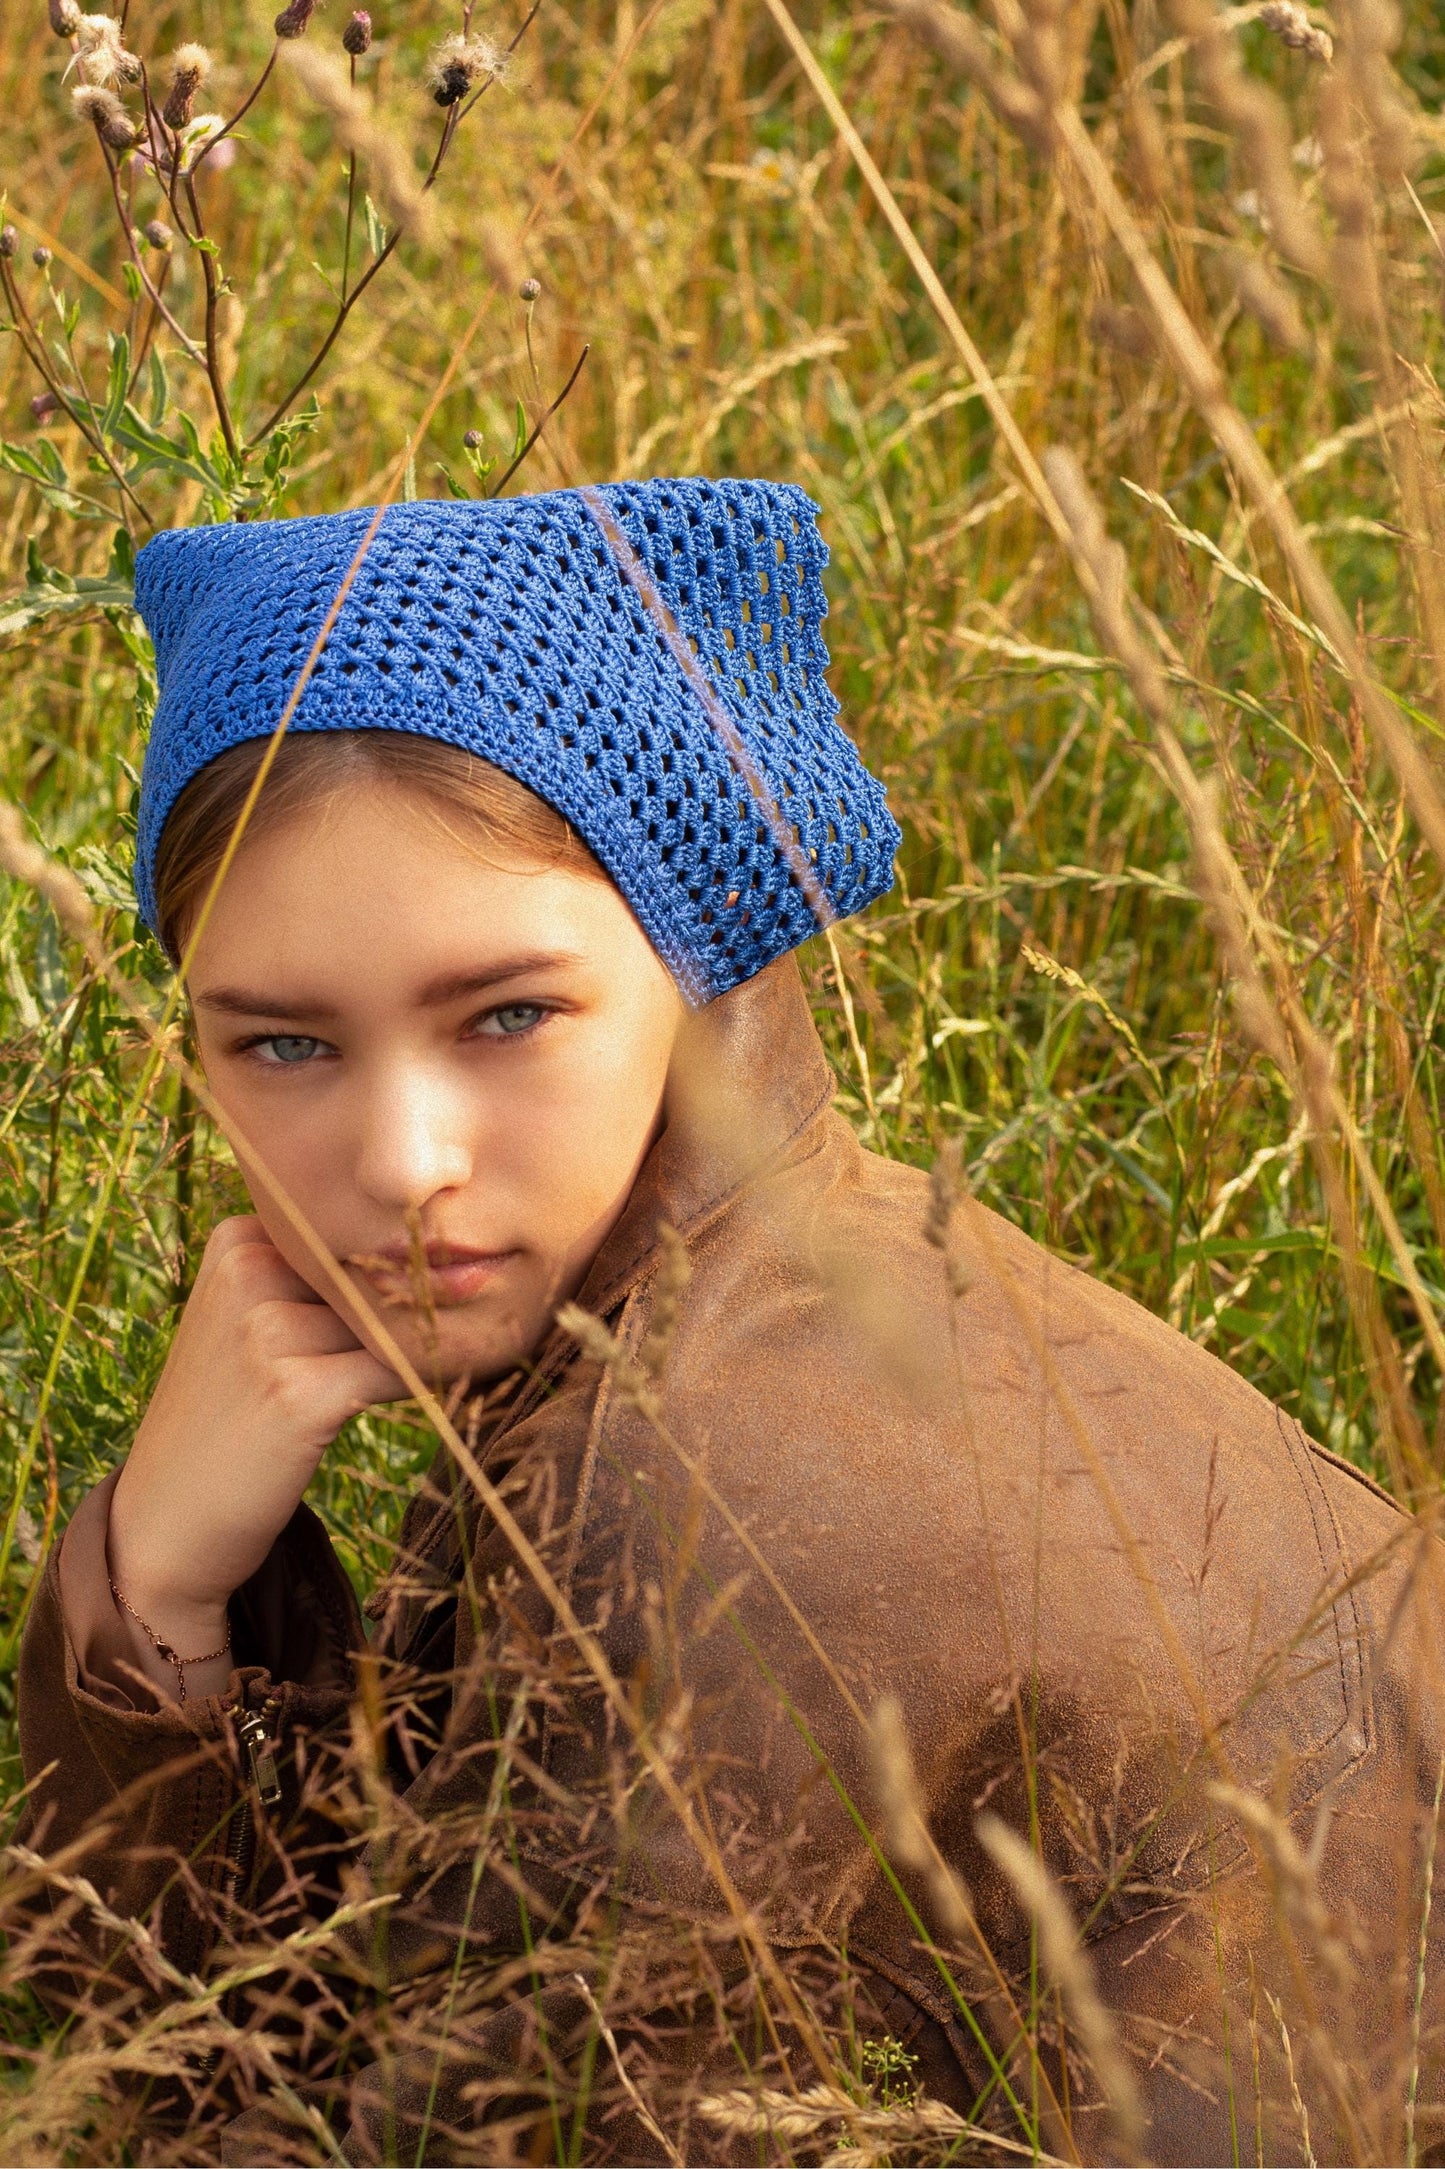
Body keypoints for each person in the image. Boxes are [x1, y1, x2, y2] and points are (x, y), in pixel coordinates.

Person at [15, 476, 1445, 2167]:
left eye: (508, 1015)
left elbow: (271, 2116)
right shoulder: (827, 1277)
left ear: (698, 965)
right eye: (283, 1044)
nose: (403, 1167)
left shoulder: (700, 1494)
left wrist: (136, 1634)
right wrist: (168, 1585)